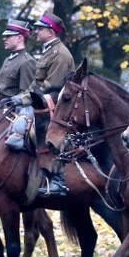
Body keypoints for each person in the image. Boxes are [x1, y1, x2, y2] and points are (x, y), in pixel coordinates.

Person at [31, 11, 76, 196]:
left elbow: (52, 88)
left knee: (39, 132)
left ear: (50, 32)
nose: (36, 32)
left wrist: (26, 99)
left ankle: (58, 178)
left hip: (57, 106)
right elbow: (37, 83)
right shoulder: (49, 51)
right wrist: (22, 97)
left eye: (40, 29)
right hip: (44, 102)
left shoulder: (60, 54)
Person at [0, 19, 37, 151]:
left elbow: (25, 96)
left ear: (19, 38)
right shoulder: (8, 60)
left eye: (8, 36)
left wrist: (5, 104)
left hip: (11, 113)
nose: (5, 39)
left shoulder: (27, 62)